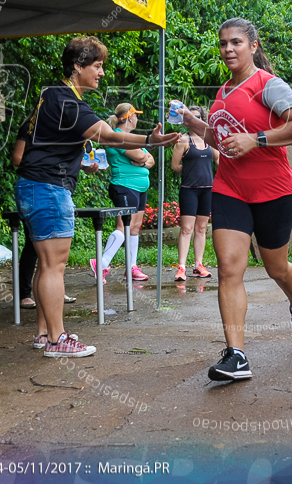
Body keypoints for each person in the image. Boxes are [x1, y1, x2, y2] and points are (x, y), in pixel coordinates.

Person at [15, 36, 178, 358]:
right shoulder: (67, 100)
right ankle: (56, 340)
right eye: (98, 66)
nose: (102, 73)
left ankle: (44, 333)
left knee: (46, 265)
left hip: (38, 186)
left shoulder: (53, 96)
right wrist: (150, 139)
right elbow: (107, 134)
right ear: (78, 67)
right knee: (53, 266)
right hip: (47, 188)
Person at [178, 17, 292, 382]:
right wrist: (192, 121)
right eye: (223, 44)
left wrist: (257, 139)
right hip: (230, 189)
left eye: (236, 42)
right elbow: (221, 140)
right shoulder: (221, 93)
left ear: (253, 46)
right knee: (229, 268)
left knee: (276, 268)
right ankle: (236, 355)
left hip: (273, 192)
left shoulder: (267, 85)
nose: (228, 49)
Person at [11, 127, 96, 308]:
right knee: (39, 252)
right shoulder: (33, 125)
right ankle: (26, 294)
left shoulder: (66, 128)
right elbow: (17, 158)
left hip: (54, 190)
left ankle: (52, 294)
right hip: (43, 189)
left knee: (51, 259)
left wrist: (84, 165)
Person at [94, 104, 154, 282]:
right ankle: (102, 263)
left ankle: (131, 267)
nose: (137, 119)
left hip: (139, 187)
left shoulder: (131, 137)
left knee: (134, 228)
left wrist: (143, 161)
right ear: (129, 117)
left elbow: (150, 160)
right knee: (123, 227)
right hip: (124, 186)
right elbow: (142, 156)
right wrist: (143, 160)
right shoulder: (118, 137)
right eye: (136, 116)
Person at [170, 105, 218, 281]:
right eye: (190, 117)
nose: (193, 120)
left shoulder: (209, 140)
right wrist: (192, 172)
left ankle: (198, 264)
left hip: (207, 190)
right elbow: (175, 166)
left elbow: (219, 159)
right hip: (189, 190)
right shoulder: (183, 140)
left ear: (202, 119)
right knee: (186, 229)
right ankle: (181, 267)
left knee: (202, 228)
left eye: (197, 116)